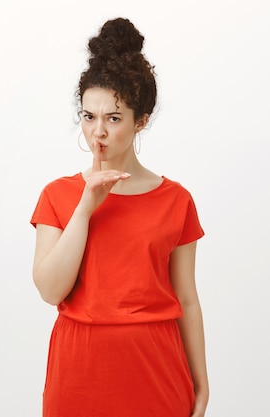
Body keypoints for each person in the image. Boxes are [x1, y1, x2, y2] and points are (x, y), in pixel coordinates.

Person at [30, 18, 209, 417]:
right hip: (78, 376)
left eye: (113, 118)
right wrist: (85, 207)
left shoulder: (175, 200)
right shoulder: (58, 195)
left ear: (140, 121)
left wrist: (201, 383)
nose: (98, 132)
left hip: (156, 373)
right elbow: (50, 290)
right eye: (89, 116)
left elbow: (187, 299)